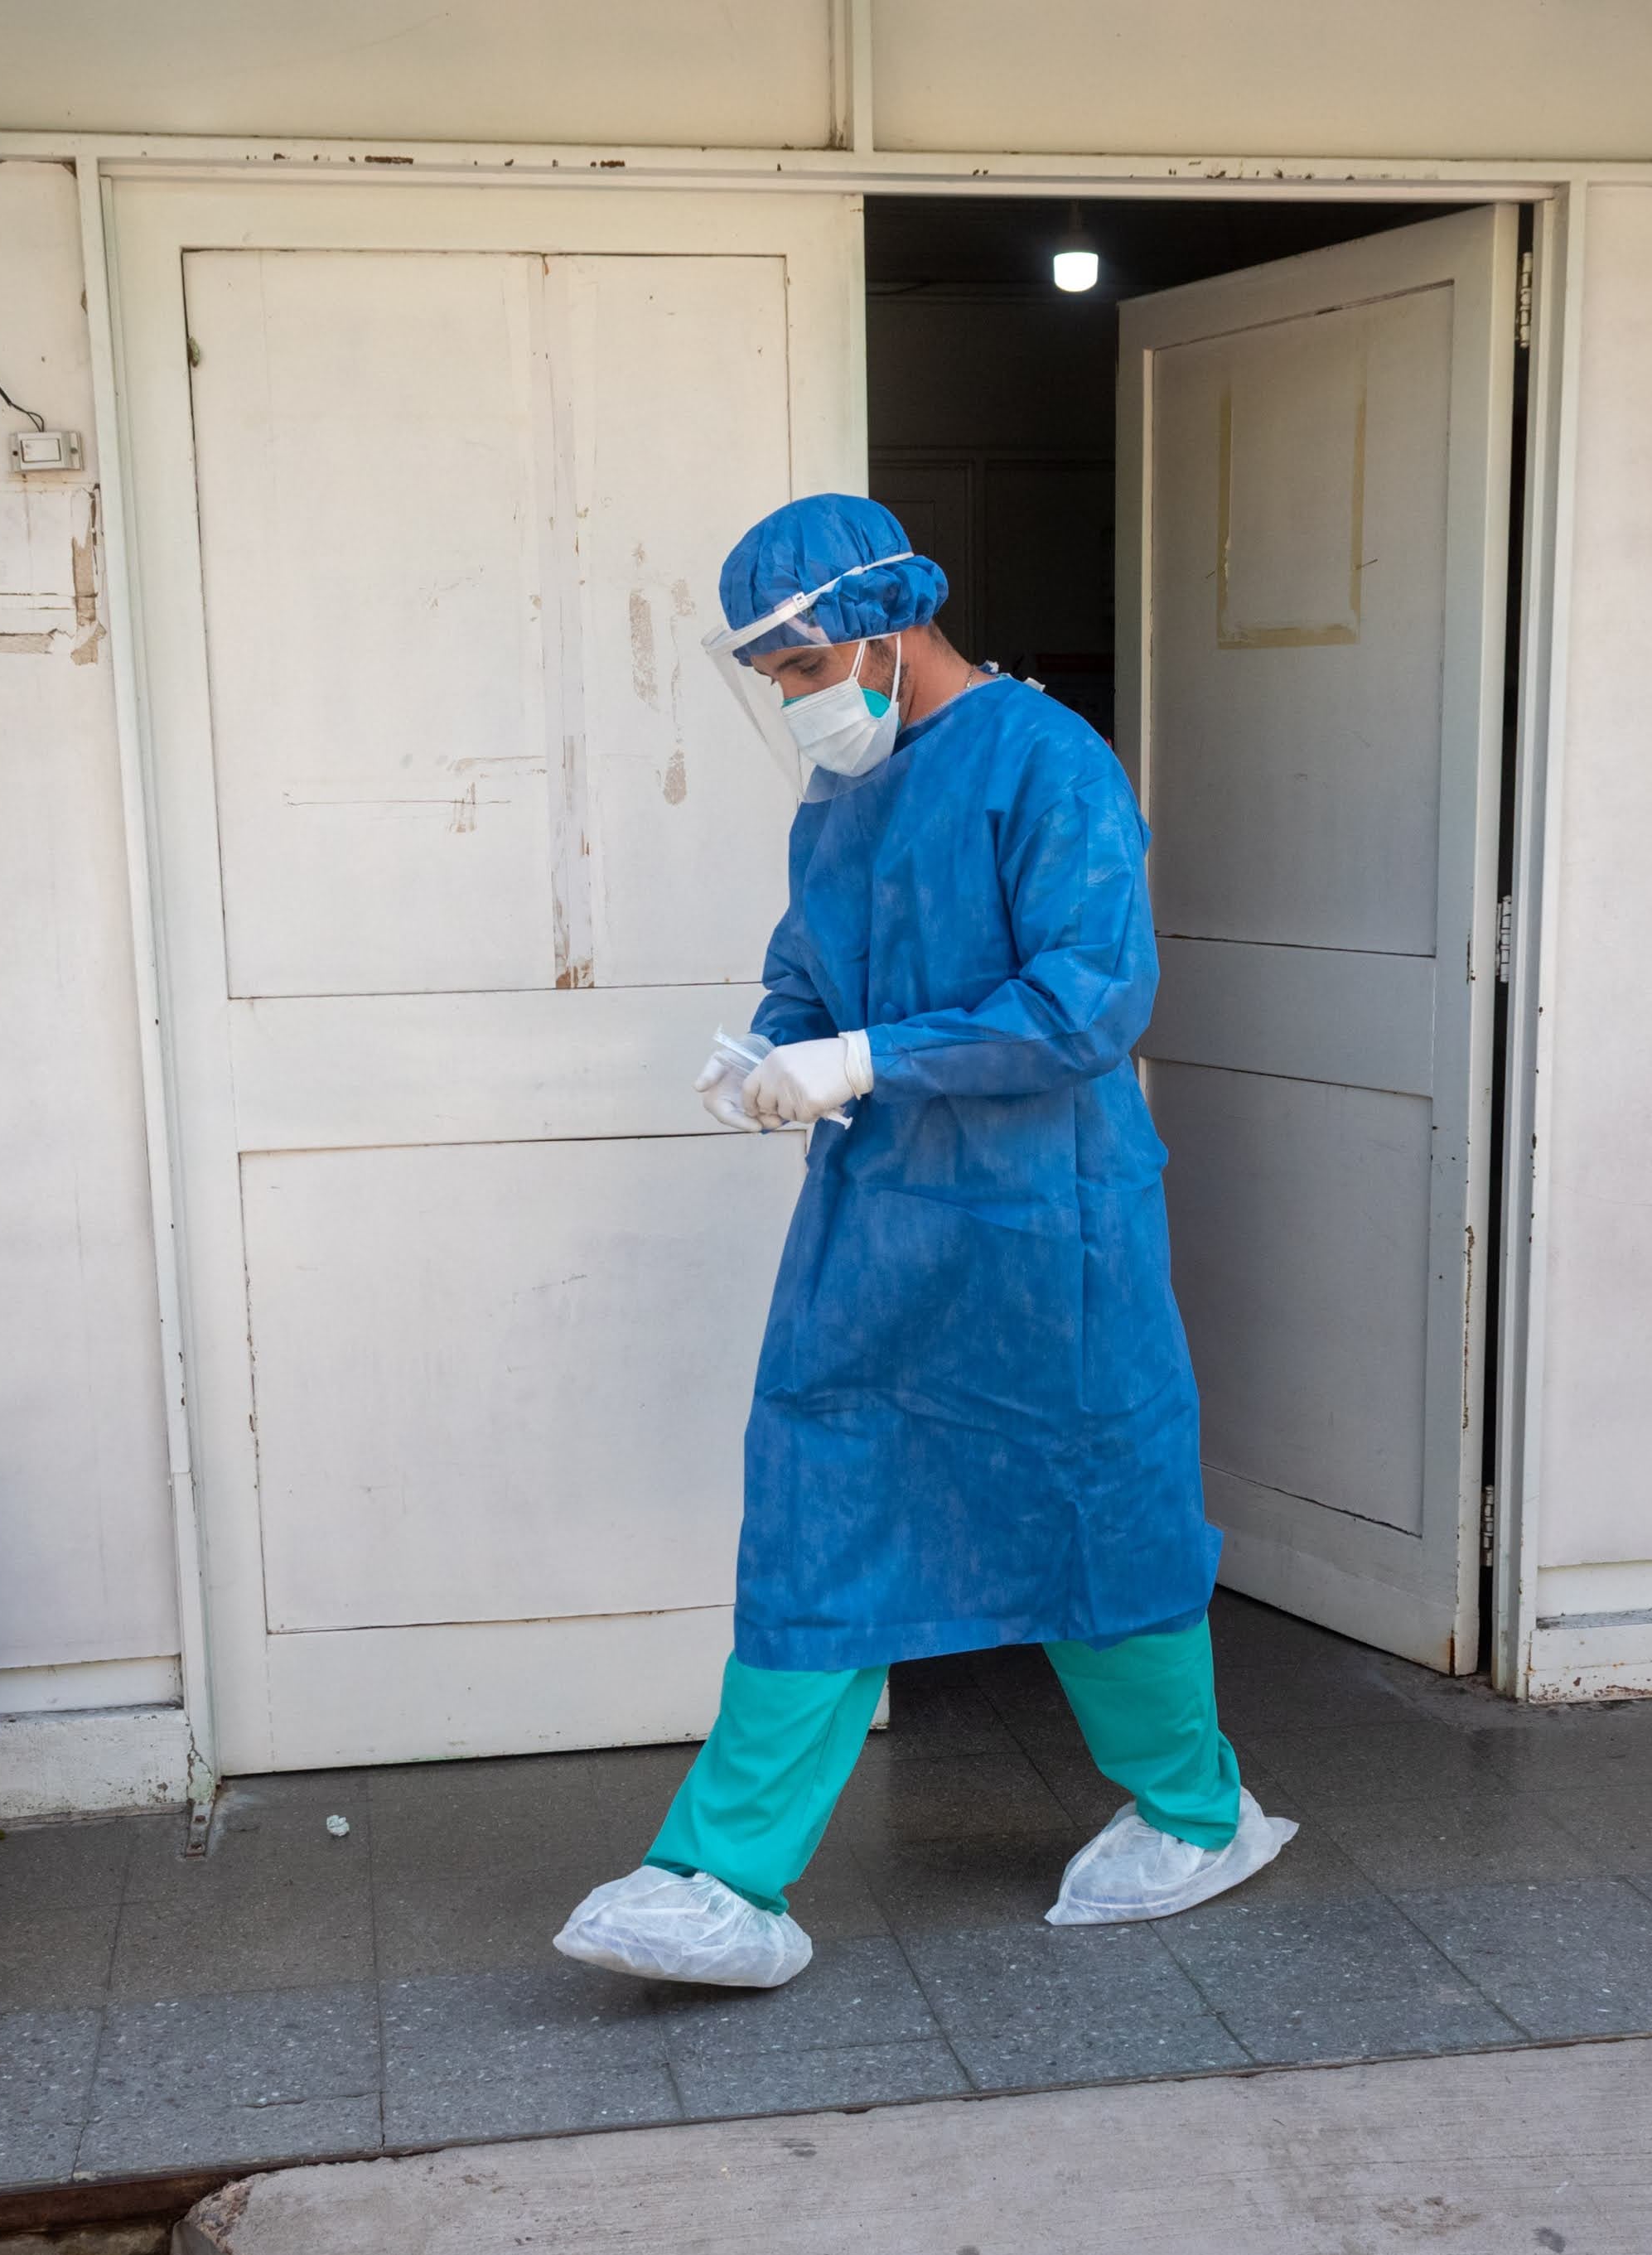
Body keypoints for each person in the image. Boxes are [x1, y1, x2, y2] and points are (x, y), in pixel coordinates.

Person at [553, 492, 1293, 1992]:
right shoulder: (840, 797)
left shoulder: (1048, 763)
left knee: (1093, 1518)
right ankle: (720, 1879)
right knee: (821, 1497)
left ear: (888, 626)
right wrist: (769, 1048)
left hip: (1045, 1226)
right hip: (881, 1224)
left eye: (801, 668)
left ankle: (1197, 1812)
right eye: (771, 677)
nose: (791, 701)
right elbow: (807, 971)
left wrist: (868, 1059)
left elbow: (1091, 1000)